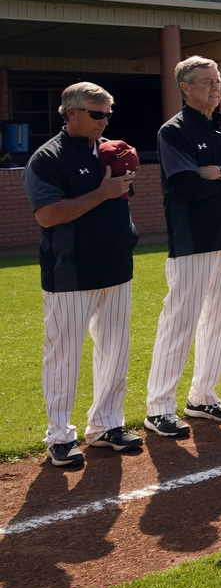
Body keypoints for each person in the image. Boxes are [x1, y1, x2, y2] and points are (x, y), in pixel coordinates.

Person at [25, 82, 143, 465]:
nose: (104, 120)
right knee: (63, 357)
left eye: (108, 113)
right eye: (96, 114)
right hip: (70, 272)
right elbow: (48, 214)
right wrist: (103, 192)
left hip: (116, 267)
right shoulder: (48, 158)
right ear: (71, 113)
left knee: (115, 352)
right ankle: (60, 436)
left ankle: (106, 425)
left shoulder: (111, 150)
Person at [145, 56, 221, 439]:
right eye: (206, 81)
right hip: (193, 239)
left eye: (217, 80)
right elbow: (187, 186)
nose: (215, 87)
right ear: (185, 87)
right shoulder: (174, 131)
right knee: (179, 323)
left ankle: (203, 397)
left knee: (220, 321)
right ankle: (159, 407)